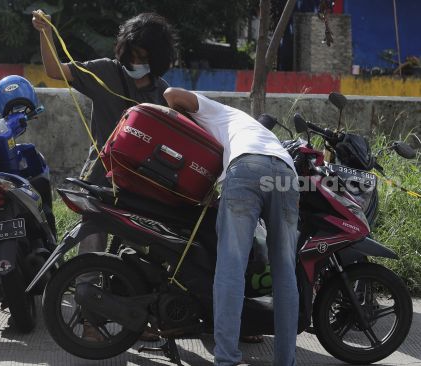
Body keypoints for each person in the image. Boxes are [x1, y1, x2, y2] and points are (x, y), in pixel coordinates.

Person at [32, 10, 176, 340]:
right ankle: (89, 323)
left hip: (142, 191)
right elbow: (55, 70)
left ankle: (137, 318)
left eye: (142, 57)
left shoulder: (163, 92)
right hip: (99, 182)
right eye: (131, 54)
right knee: (93, 251)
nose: (135, 61)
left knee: (139, 254)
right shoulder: (105, 73)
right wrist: (45, 33)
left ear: (157, 59)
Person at [163, 88, 299, 366]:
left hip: (247, 167)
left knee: (230, 269)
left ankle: (226, 359)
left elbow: (170, 93)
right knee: (285, 271)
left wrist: (173, 119)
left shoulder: (216, 111)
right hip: (286, 173)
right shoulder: (246, 129)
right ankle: (286, 362)